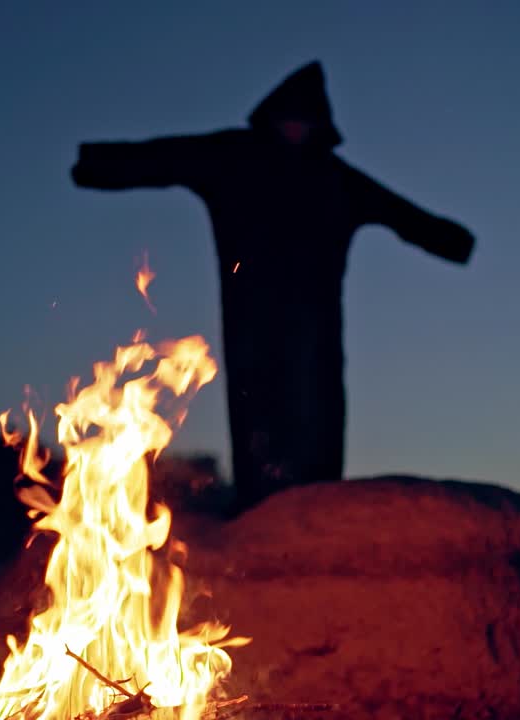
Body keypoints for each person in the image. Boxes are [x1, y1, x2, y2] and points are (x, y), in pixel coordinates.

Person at [71, 61, 475, 514]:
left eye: (305, 120)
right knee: (258, 424)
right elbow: (164, 159)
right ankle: (261, 519)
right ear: (273, 117)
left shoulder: (335, 180)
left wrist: (456, 242)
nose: (296, 128)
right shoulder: (234, 157)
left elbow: (405, 216)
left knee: (316, 420)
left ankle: (314, 521)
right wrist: (94, 164)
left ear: (320, 125)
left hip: (315, 328)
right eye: (290, 118)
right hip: (251, 324)